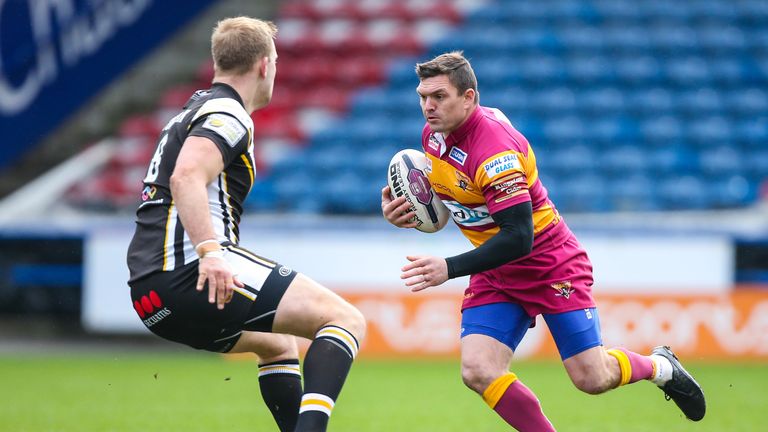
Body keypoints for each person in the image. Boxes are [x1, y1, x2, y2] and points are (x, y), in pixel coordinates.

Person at [381, 51, 705, 431]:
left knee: (591, 378)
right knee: (477, 369)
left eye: (439, 96)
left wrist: (448, 267)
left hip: (549, 263)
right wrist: (403, 211)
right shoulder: (433, 137)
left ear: (469, 97)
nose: (428, 106)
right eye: (423, 96)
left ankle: (661, 366)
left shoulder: (495, 153)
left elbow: (519, 238)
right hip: (496, 269)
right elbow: (454, 198)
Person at [127, 17, 365, 432]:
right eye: (275, 60)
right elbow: (186, 177)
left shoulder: (192, 109)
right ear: (264, 65)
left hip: (150, 292)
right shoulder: (228, 112)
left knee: (277, 345)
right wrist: (210, 253)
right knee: (345, 320)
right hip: (189, 271)